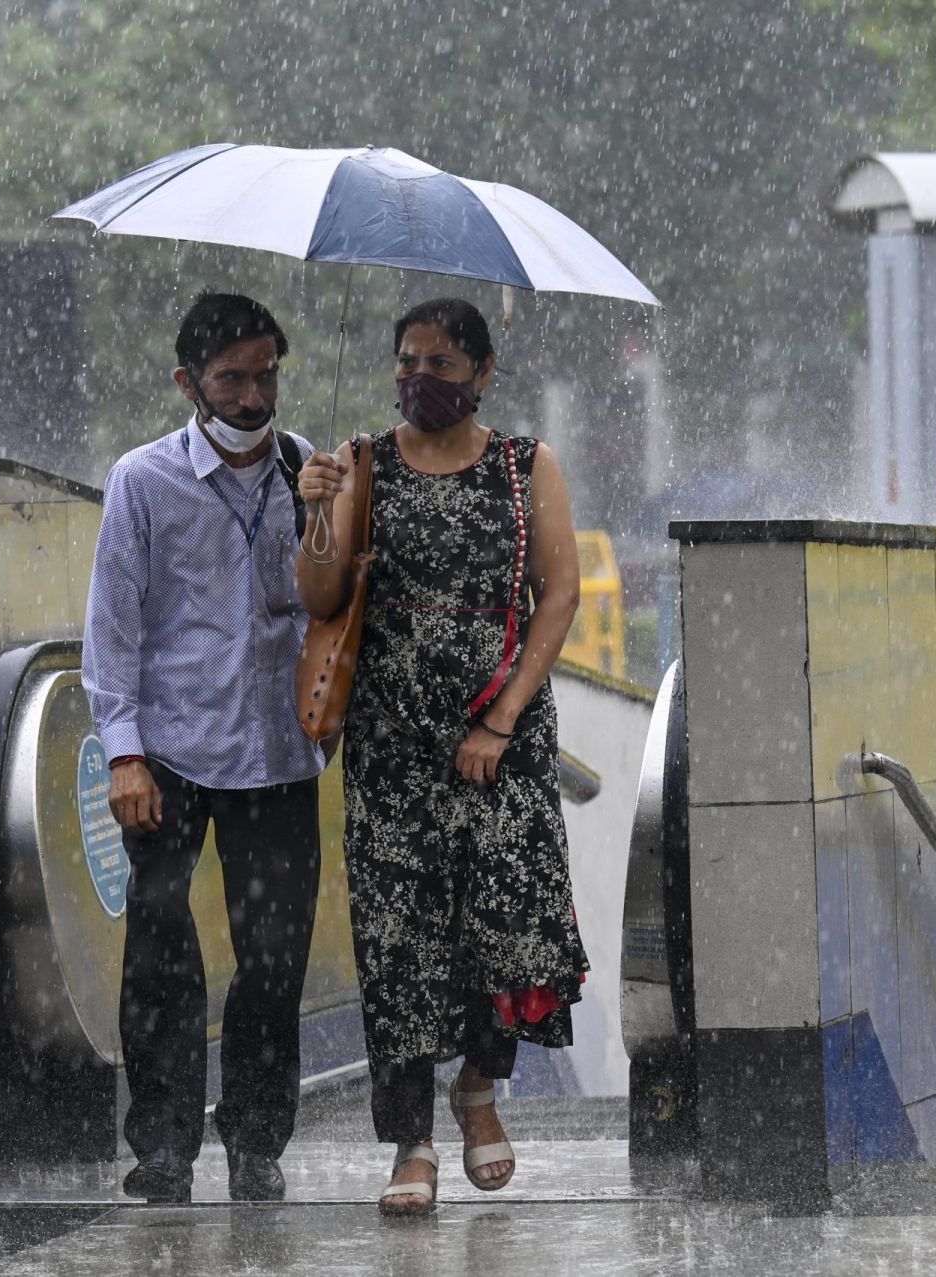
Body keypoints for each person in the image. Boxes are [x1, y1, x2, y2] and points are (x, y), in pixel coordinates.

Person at [295, 297, 589, 1216]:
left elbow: (560, 593)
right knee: (399, 941)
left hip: (500, 742)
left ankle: (478, 1088)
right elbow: (319, 596)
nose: (421, 379)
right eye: (408, 360)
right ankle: (411, 1140)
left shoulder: (524, 466)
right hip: (391, 744)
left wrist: (499, 721)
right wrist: (315, 511)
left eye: (443, 364)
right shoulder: (361, 464)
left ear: (484, 374)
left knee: (501, 929)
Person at [82, 292, 327, 1204]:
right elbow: (112, 628)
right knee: (158, 948)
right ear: (188, 382)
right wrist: (124, 754)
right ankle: (163, 1146)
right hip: (172, 755)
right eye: (231, 378)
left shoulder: (312, 471)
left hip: (278, 756)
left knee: (273, 959)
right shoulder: (141, 482)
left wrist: (324, 520)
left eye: (266, 374)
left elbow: (332, 605)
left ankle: (257, 1142)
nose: (253, 395)